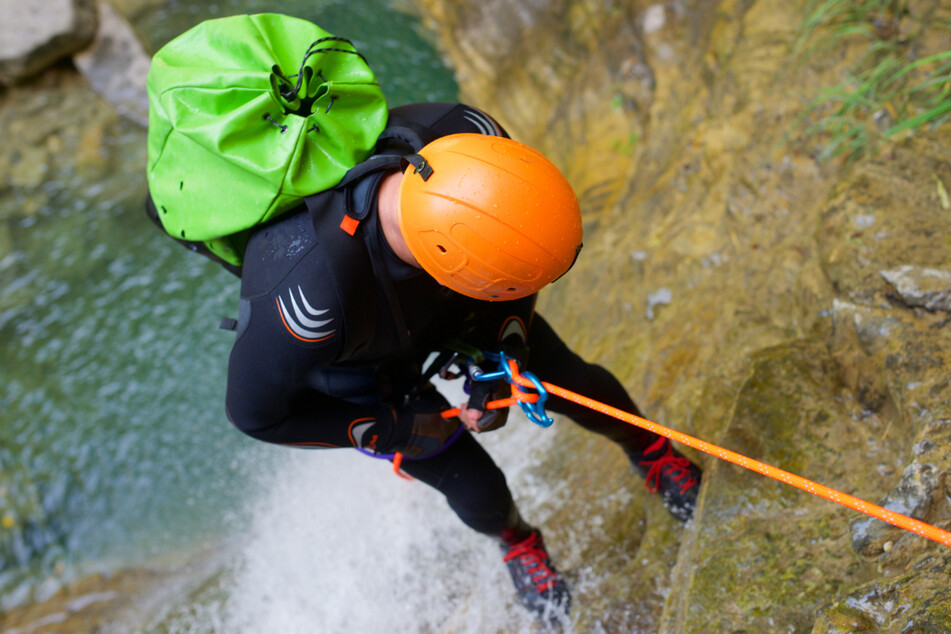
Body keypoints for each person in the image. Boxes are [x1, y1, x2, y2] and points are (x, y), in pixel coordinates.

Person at [223, 101, 703, 620]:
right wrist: (395, 428)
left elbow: (519, 265)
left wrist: (507, 354)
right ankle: (516, 540)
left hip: (451, 304)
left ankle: (651, 450)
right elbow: (254, 415)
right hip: (356, 363)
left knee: (567, 378)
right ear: (453, 260)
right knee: (474, 484)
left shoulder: (475, 145)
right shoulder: (304, 303)